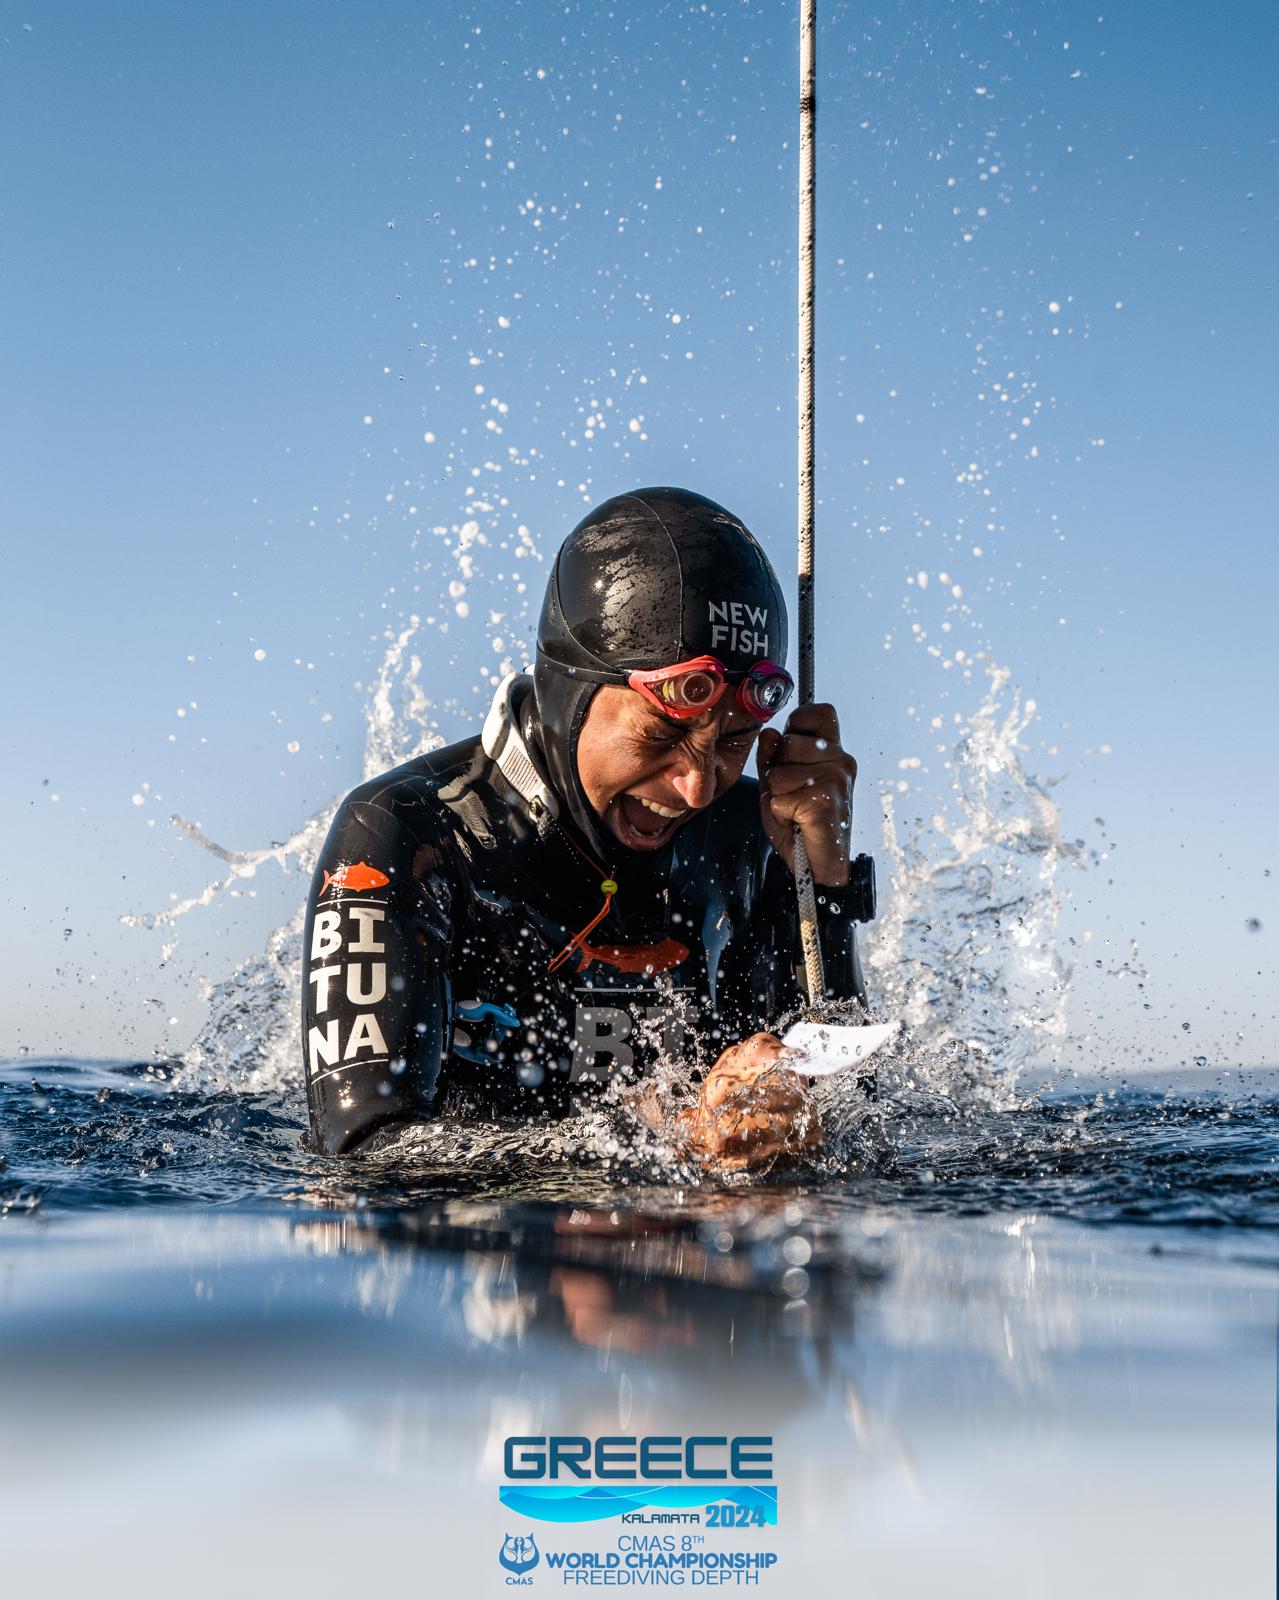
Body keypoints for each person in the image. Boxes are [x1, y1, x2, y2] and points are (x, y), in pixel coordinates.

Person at [301, 487, 875, 1166]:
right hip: (484, 1255)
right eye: (660, 736)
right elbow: (366, 1148)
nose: (695, 785)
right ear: (567, 695)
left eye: (733, 740)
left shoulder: (750, 837)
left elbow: (852, 1130)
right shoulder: (412, 833)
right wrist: (679, 1143)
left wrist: (824, 885)